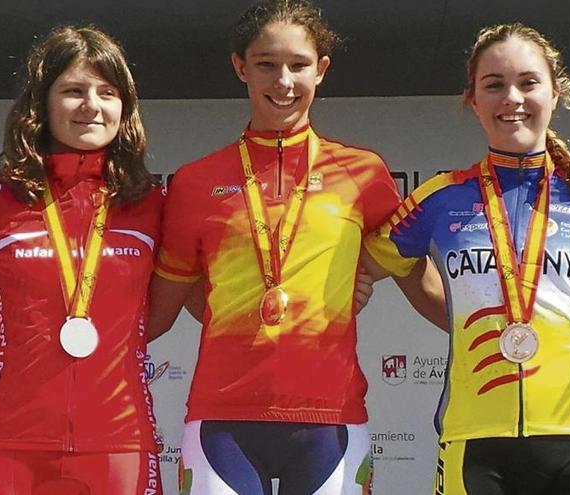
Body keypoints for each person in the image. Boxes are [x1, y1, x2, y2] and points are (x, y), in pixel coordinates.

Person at [147, 1, 442, 493]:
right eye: (266, 64)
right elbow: (162, 308)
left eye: (298, 65)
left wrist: (491, 331)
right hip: (223, 417)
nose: (283, 81)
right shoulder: (196, 182)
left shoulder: (363, 172)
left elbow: (417, 274)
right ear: (241, 67)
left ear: (321, 70)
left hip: (331, 417)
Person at [365, 23, 570, 495]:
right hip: (474, 446)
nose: (511, 97)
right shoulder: (439, 198)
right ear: (472, 100)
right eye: (493, 85)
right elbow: (373, 264)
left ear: (555, 94)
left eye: (528, 82)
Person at [0, 25, 163, 495]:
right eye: (73, 91)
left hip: (121, 444)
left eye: (107, 92)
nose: (91, 105)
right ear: (42, 103)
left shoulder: (154, 204)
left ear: (126, 106)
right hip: (7, 445)